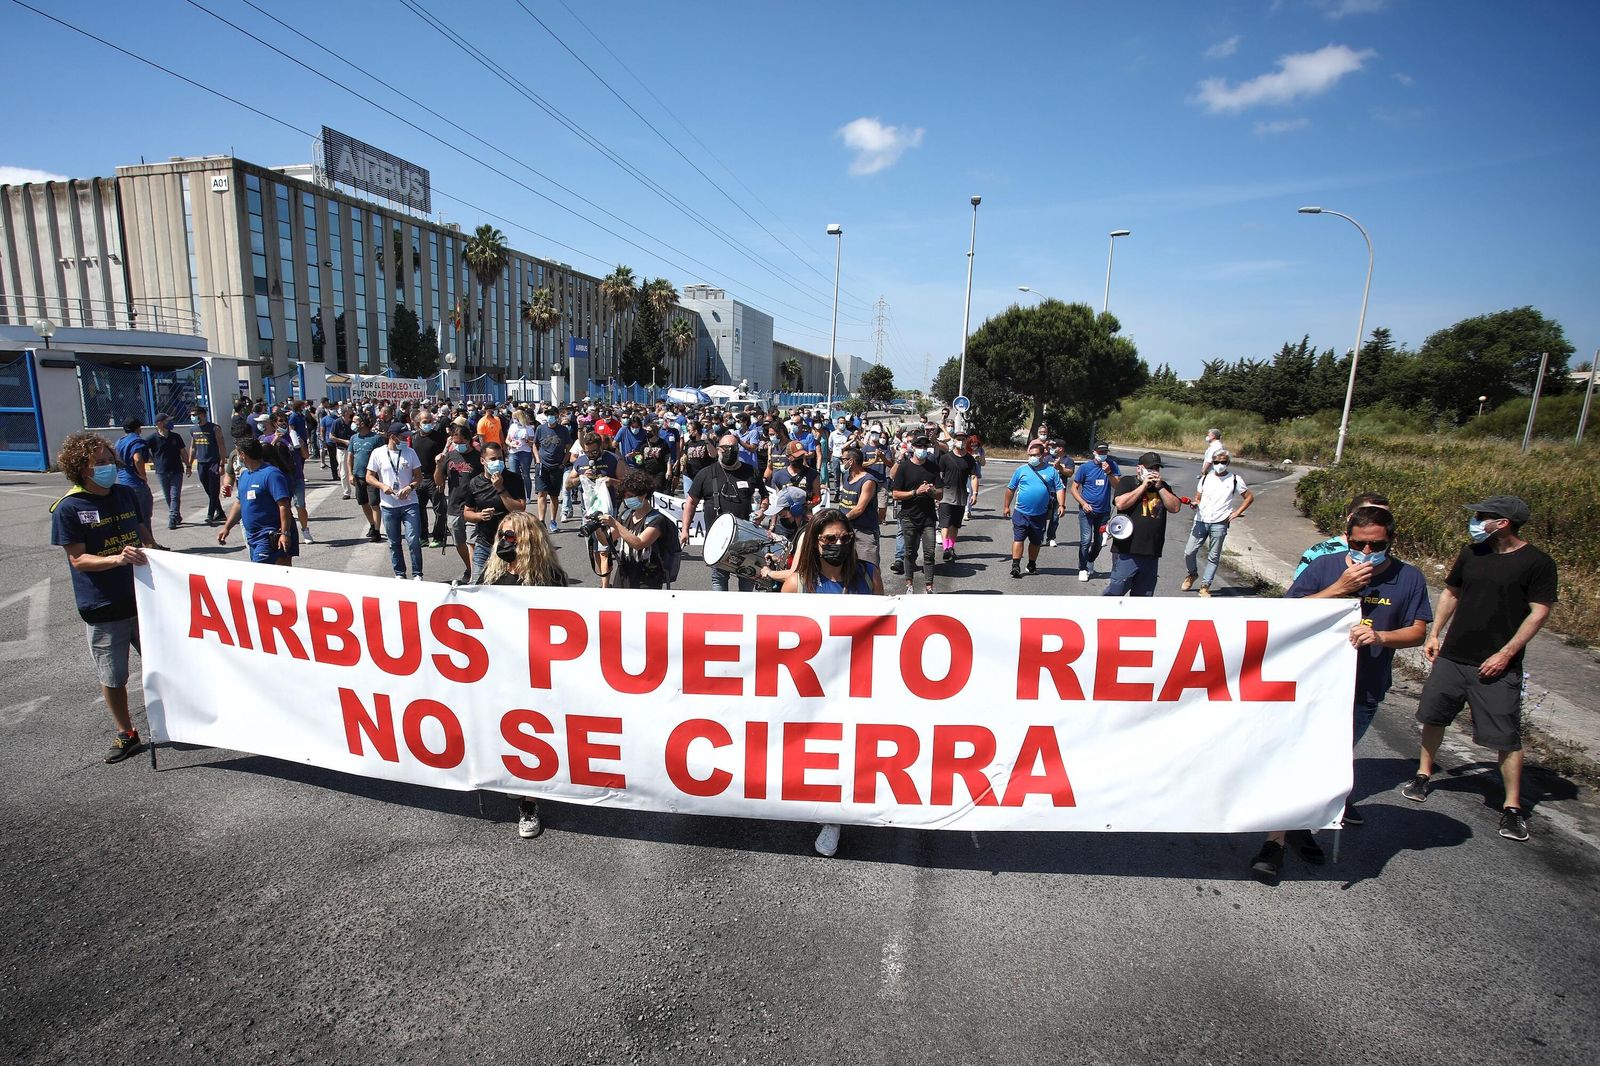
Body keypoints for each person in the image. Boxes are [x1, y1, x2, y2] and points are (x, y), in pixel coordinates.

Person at [1250, 505, 1433, 882]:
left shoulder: (1409, 578)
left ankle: (1302, 825)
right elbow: (1285, 615)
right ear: (1346, 537)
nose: (1367, 553)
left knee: (1327, 762)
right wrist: (1339, 590)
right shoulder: (1325, 567)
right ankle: (1275, 842)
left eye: (1376, 545)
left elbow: (1417, 632)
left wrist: (1381, 636)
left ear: (1390, 541)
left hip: (1363, 688)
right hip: (1308, 686)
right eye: (1359, 544)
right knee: (1294, 758)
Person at [1402, 496, 1558, 843]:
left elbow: (1539, 612)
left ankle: (1513, 806)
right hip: (1454, 657)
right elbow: (1452, 593)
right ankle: (1423, 774)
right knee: (1433, 716)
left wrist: (1506, 653)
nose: (1474, 520)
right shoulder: (1472, 553)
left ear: (1502, 523)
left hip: (1498, 665)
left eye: (1480, 516)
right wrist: (1436, 632)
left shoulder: (1537, 563)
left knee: (1504, 734)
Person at [777, 507, 883, 858]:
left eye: (844, 538)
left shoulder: (868, 575)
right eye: (829, 539)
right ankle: (830, 813)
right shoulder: (798, 585)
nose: (838, 544)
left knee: (853, 750)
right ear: (814, 542)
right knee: (823, 753)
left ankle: (837, 813)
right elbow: (777, 639)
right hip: (815, 686)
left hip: (859, 680)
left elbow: (885, 627)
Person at [49, 431, 157, 763]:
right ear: (82, 468)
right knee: (114, 675)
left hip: (143, 599)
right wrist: (116, 559)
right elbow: (78, 559)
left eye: (110, 461)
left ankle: (179, 720)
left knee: (162, 664)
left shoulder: (125, 494)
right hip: (103, 605)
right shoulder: (68, 508)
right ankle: (127, 733)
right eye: (99, 463)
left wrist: (155, 551)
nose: (108, 467)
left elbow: (142, 532)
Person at [481, 511, 570, 839]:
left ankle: (529, 804)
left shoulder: (549, 577)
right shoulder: (492, 573)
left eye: (511, 536)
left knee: (530, 735)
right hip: (499, 669)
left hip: (535, 671)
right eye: (502, 535)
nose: (505, 541)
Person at [683, 434, 767, 592]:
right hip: (718, 540)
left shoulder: (750, 471)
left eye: (733, 448)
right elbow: (691, 502)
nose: (729, 451)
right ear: (718, 449)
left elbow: (764, 498)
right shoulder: (706, 473)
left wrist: (762, 510)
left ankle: (744, 613)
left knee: (747, 578)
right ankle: (721, 614)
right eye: (725, 448)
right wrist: (685, 529)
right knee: (719, 579)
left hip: (746, 539)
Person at [1102, 451, 1180, 597]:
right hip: (1127, 550)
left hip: (1151, 552)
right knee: (1115, 593)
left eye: (1156, 468)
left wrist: (1160, 487)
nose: (1153, 471)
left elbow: (1175, 507)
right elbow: (1120, 503)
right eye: (1150, 468)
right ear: (1139, 468)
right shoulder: (1128, 482)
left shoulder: (1164, 487)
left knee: (1143, 598)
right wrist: (1143, 486)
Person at [1181, 449, 1254, 597]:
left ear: (1228, 463)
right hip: (1201, 519)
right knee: (1189, 552)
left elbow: (1249, 497)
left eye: (1223, 462)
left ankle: (1205, 586)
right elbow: (1198, 497)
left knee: (1213, 556)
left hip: (1220, 522)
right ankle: (1192, 574)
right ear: (1212, 462)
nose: (1219, 465)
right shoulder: (1205, 478)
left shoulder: (1234, 479)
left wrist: (1236, 513)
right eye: (1216, 462)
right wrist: (1195, 503)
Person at [218, 437, 298, 566]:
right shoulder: (244, 475)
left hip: (269, 535)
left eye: (238, 454)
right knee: (270, 576)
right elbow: (239, 503)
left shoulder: (271, 474)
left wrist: (285, 533)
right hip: (253, 536)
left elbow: (283, 505)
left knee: (261, 573)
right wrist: (227, 527)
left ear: (243, 455)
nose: (237, 457)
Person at [365, 421, 425, 580]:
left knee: (413, 540)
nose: (406, 439)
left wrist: (410, 487)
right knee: (394, 542)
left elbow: (419, 476)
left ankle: (417, 574)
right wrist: (382, 485)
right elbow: (369, 476)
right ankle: (400, 573)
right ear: (393, 437)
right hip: (388, 505)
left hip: (410, 503)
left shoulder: (410, 452)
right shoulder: (378, 453)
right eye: (403, 436)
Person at [460, 440, 527, 583]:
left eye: (500, 458)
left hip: (509, 544)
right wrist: (479, 516)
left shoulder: (513, 479)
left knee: (506, 585)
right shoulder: (474, 483)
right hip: (484, 543)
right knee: (476, 585)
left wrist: (500, 489)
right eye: (493, 459)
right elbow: (467, 513)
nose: (498, 462)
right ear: (483, 461)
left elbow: (520, 509)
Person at [1003, 440, 1067, 580]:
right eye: (1030, 455)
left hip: (1039, 515)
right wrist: (1006, 506)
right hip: (1021, 513)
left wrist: (1061, 505)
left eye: (1035, 455)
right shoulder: (1021, 470)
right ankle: (1015, 565)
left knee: (1036, 541)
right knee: (1018, 538)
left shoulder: (1051, 471)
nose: (1032, 457)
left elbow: (1059, 489)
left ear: (1043, 455)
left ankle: (1031, 564)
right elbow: (1010, 489)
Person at [601, 470, 677, 589]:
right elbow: (606, 540)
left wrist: (615, 523)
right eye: (625, 496)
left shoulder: (657, 520)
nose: (627, 499)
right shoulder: (626, 515)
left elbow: (639, 543)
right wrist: (597, 527)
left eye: (631, 496)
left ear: (644, 494)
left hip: (647, 578)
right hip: (624, 575)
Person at [890, 435, 942, 594]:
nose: (923, 450)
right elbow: (895, 494)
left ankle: (929, 586)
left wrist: (932, 491)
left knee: (930, 552)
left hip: (928, 517)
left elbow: (940, 494)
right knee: (910, 552)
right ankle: (909, 584)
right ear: (913, 448)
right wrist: (915, 492)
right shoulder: (904, 467)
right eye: (920, 447)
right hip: (909, 516)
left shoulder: (933, 467)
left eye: (926, 448)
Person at [1296, 493, 1390, 577]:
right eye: (1370, 514)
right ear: (1350, 518)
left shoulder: (1385, 551)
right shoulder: (1318, 553)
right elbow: (1298, 593)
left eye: (1385, 517)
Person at [436, 421, 483, 584]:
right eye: (455, 443)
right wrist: (438, 465)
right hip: (454, 507)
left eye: (461, 443)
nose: (457, 446)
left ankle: (475, 576)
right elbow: (440, 481)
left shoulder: (478, 458)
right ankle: (471, 569)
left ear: (469, 440)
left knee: (472, 541)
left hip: (472, 507)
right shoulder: (449, 456)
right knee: (459, 542)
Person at [1071, 442, 1121, 582]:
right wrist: (1083, 503)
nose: (1103, 455)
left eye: (1105, 453)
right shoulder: (1085, 467)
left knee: (1099, 542)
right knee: (1086, 540)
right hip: (1087, 511)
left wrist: (1109, 472)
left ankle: (1090, 560)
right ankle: (1082, 568)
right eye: (1100, 452)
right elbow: (1074, 489)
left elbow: (1118, 486)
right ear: (1094, 452)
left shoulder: (1112, 465)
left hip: (1103, 511)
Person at [113, 417, 160, 541]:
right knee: (144, 516)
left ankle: (137, 542)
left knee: (130, 516)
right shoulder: (136, 441)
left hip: (123, 482)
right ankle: (149, 543)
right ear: (137, 428)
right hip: (135, 483)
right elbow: (137, 459)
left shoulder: (119, 442)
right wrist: (143, 475)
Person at [836, 446, 881, 567]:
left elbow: (859, 509)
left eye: (843, 459)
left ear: (851, 461)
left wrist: (840, 519)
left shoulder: (868, 481)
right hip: (847, 529)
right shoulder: (847, 477)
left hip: (864, 532)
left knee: (868, 569)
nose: (842, 462)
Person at [410, 411, 448, 549]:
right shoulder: (413, 438)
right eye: (425, 422)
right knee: (419, 509)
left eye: (430, 421)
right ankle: (423, 537)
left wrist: (442, 478)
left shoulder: (438, 437)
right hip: (419, 478)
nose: (428, 424)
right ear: (418, 423)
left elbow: (444, 459)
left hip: (435, 479)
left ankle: (438, 537)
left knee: (440, 510)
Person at [532, 409, 573, 533]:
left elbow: (568, 449)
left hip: (557, 466)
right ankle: (541, 521)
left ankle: (553, 521)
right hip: (542, 465)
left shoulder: (563, 430)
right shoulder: (540, 429)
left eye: (553, 415)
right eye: (549, 415)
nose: (551, 417)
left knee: (554, 495)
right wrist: (538, 460)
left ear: (557, 417)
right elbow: (535, 445)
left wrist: (563, 463)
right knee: (541, 493)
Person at [148, 413, 189, 530]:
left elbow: (183, 452)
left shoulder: (176, 437)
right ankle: (177, 515)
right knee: (168, 496)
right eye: (167, 421)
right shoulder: (152, 438)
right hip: (162, 471)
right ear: (159, 424)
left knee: (175, 495)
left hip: (176, 470)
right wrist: (153, 461)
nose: (170, 423)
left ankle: (172, 517)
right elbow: (143, 450)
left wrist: (188, 465)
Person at [937, 435, 975, 563]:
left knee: (955, 525)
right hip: (946, 495)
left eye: (963, 439)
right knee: (945, 524)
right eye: (958, 439)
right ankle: (946, 548)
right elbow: (939, 476)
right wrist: (937, 493)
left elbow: (974, 477)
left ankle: (951, 547)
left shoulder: (969, 459)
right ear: (954, 441)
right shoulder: (945, 458)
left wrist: (975, 493)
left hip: (961, 496)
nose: (961, 442)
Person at [347, 415, 385, 542]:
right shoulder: (353, 438)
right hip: (358, 476)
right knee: (363, 503)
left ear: (362, 423)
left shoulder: (376, 438)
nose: (353, 424)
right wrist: (351, 474)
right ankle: (372, 525)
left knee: (374, 503)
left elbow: (382, 457)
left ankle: (377, 531)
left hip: (372, 477)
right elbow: (350, 457)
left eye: (355, 421)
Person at [189, 405, 227, 525]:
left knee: (214, 489)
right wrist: (189, 465)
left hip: (213, 462)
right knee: (208, 489)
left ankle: (210, 515)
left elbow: (221, 445)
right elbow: (193, 447)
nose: (194, 417)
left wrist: (221, 464)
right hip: (201, 463)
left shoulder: (214, 428)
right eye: (192, 415)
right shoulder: (193, 429)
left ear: (203, 415)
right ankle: (220, 512)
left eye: (196, 415)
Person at [1042, 440, 1073, 548]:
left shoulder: (1068, 460)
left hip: (1059, 492)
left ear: (1061, 448)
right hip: (1046, 491)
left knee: (1055, 517)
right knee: (1042, 515)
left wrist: (1060, 467)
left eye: (1054, 447)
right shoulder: (1047, 458)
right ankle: (1040, 537)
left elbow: (1069, 473)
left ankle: (1050, 538)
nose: (1052, 449)